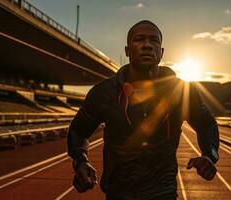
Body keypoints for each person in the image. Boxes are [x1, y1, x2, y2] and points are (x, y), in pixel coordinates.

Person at [67, 20, 219, 200]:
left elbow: (206, 123)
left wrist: (209, 155)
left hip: (163, 193)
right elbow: (78, 130)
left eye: (154, 41)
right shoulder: (104, 92)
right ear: (127, 50)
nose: (147, 45)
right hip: (118, 194)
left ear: (161, 52)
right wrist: (81, 161)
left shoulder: (182, 91)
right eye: (139, 39)